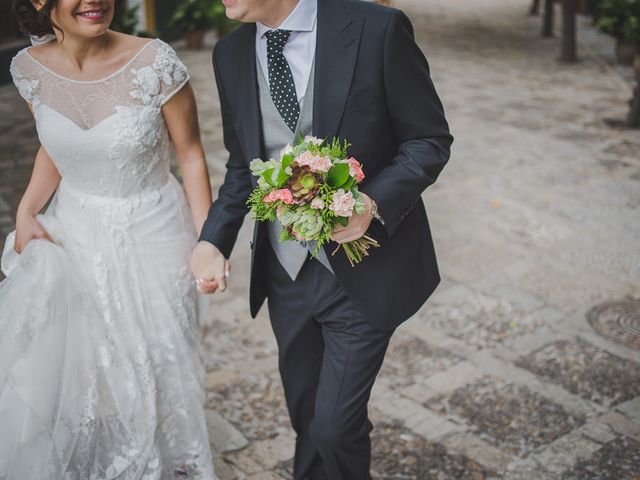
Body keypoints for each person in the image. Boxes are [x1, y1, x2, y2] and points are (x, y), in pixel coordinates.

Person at [190, 0, 453, 478]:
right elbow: (241, 166)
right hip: (284, 275)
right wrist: (214, 239)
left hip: (363, 267)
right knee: (306, 417)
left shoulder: (377, 29)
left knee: (334, 427)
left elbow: (429, 140)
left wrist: (370, 205)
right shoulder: (229, 54)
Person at [0, 0, 217, 478]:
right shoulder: (27, 70)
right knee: (89, 365)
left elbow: (193, 154)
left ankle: (164, 463)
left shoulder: (156, 61)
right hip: (77, 229)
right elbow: (57, 145)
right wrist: (27, 208)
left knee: (158, 359)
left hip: (155, 230)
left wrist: (208, 242)